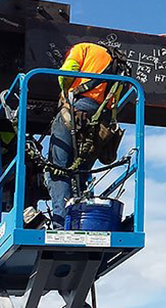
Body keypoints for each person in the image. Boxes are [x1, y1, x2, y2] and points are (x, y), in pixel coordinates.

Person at [47, 41, 123, 228]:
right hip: (101, 121)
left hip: (76, 109)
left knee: (58, 170)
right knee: (81, 172)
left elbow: (66, 74)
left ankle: (61, 224)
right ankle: (80, 221)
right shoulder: (118, 64)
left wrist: (65, 93)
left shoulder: (81, 48)